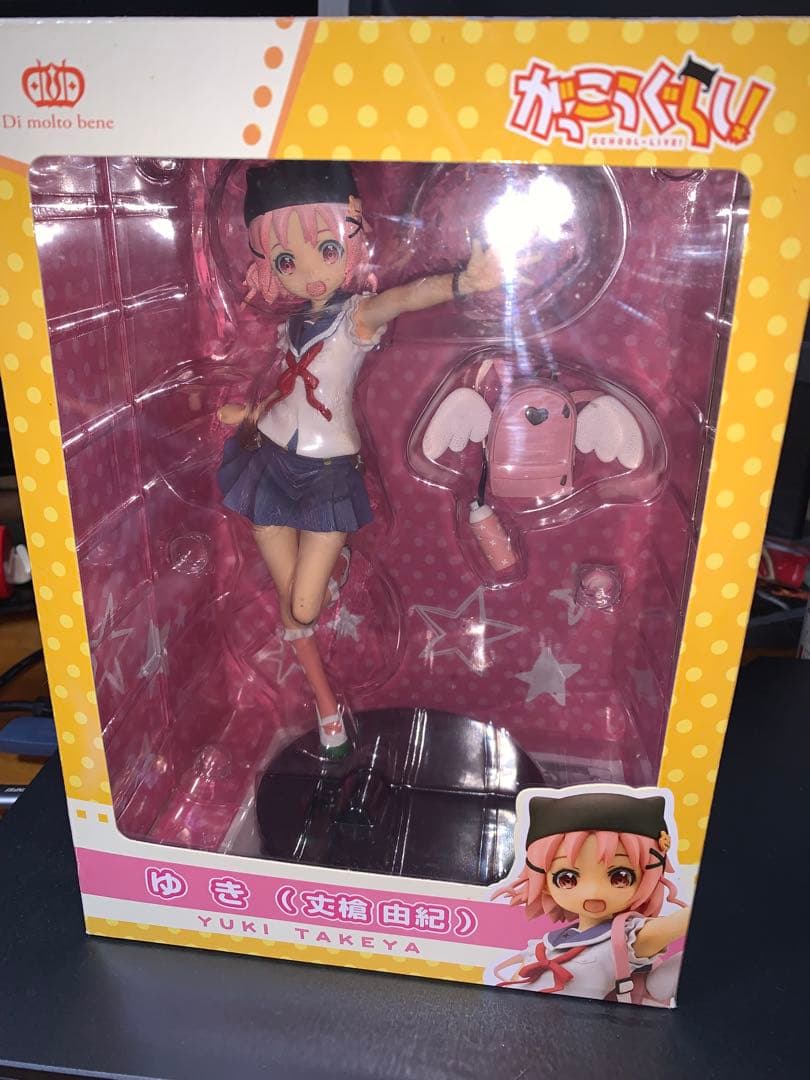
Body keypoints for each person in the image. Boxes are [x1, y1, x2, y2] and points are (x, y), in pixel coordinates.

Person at [217, 162, 506, 755]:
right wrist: (248, 415)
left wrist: (463, 283)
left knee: (303, 604)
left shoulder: (356, 318)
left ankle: (334, 572)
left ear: (352, 242)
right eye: (286, 261)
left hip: (327, 473)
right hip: (269, 460)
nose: (309, 274)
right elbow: (289, 393)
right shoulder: (293, 324)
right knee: (292, 611)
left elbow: (402, 298)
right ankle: (326, 706)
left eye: (327, 250)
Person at [490, 790, 690, 1004]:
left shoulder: (626, 939)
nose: (593, 892)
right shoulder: (549, 943)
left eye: (620, 877)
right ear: (544, 882)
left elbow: (676, 924)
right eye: (567, 878)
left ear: (648, 875)